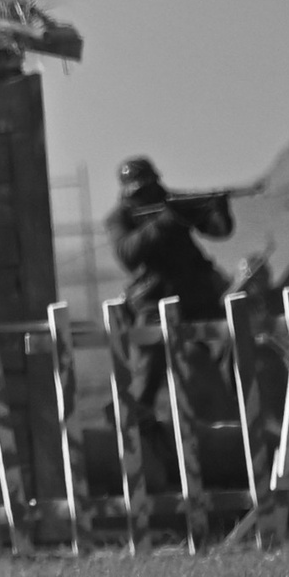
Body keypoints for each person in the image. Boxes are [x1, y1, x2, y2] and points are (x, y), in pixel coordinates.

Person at [103, 157, 235, 427]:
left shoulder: (172, 202)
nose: (148, 195)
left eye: (150, 187)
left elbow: (219, 231)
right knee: (147, 367)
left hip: (197, 297)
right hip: (154, 302)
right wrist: (166, 222)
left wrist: (217, 208)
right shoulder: (121, 217)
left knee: (230, 344)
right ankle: (137, 419)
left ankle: (233, 410)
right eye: (140, 191)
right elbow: (128, 254)